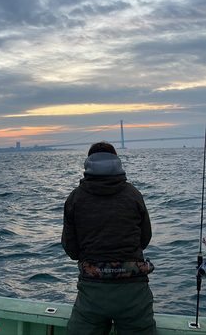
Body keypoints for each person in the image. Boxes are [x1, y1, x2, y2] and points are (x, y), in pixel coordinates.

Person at [61, 141, 156, 335]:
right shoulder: (133, 194)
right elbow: (145, 239)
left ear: (88, 164)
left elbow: (71, 249)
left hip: (92, 292)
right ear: (117, 163)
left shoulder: (75, 198)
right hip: (134, 291)